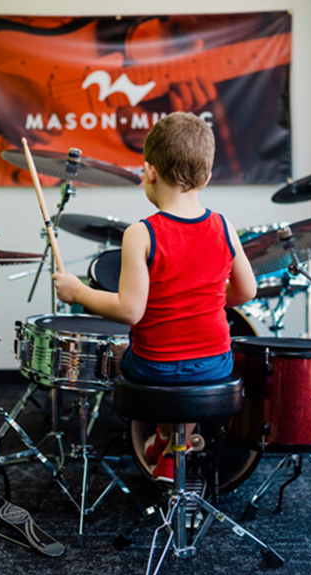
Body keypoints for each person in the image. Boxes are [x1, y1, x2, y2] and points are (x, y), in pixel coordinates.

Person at [52, 112, 257, 482]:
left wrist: (77, 291)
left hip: (154, 369)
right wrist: (207, 298)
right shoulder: (224, 226)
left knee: (129, 358)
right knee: (193, 370)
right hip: (215, 368)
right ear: (207, 177)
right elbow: (246, 290)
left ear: (149, 171)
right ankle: (173, 443)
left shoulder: (141, 234)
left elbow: (130, 310)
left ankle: (165, 436)